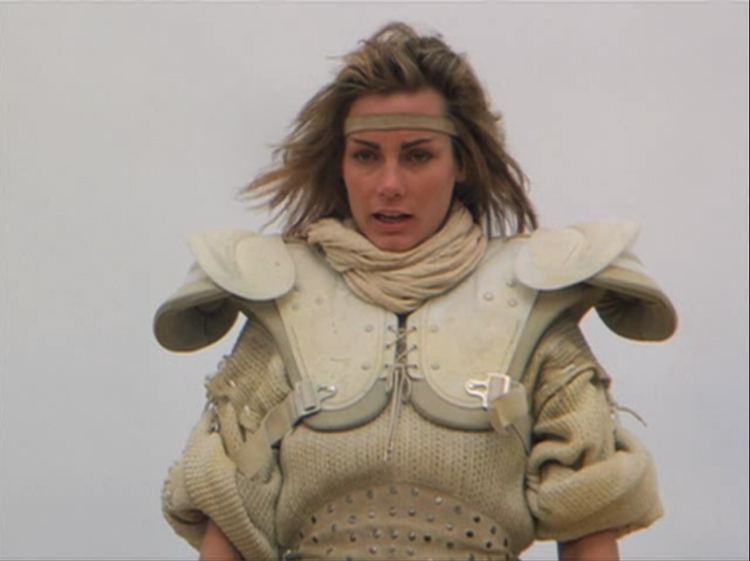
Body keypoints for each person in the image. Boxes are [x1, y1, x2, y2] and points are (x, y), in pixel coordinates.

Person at [154, 22, 677, 561]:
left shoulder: (532, 311)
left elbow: (589, 529)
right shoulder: (283, 307)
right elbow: (229, 522)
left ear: (462, 163)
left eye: (418, 155)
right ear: (340, 165)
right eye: (365, 156)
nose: (389, 185)